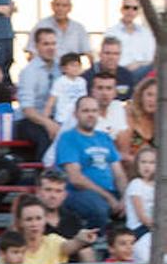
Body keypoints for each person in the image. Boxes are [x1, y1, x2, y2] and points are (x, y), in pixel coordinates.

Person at [54, 95, 127, 230]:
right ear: (76, 114)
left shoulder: (105, 138)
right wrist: (109, 198)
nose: (90, 115)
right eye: (85, 111)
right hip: (79, 193)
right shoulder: (68, 138)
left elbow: (119, 174)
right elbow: (76, 179)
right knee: (99, 209)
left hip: (111, 192)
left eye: (94, 111)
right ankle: (97, 246)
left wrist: (125, 197)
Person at [15, 28, 60, 160]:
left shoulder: (60, 69)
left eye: (53, 44)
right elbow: (27, 110)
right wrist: (48, 123)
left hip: (55, 118)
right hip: (29, 120)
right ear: (36, 46)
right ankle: (44, 176)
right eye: (46, 44)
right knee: (45, 135)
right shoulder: (29, 72)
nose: (51, 48)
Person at [25, 0, 91, 61]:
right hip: (46, 70)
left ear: (70, 8)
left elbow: (89, 54)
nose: (60, 9)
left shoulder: (79, 29)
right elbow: (31, 53)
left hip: (71, 70)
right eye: (57, 5)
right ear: (52, 6)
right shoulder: (41, 26)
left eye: (64, 6)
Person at [116, 76, 156, 161]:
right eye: (149, 94)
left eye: (157, 96)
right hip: (130, 168)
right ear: (141, 95)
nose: (152, 100)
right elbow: (122, 155)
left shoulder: (161, 122)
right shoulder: (128, 115)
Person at [46, 53, 88, 127]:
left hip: (79, 120)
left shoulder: (82, 82)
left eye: (78, 65)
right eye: (72, 65)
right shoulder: (60, 82)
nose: (75, 68)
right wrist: (46, 120)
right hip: (63, 120)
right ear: (63, 68)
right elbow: (51, 101)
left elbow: (84, 100)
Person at [125, 146, 155, 239]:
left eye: (152, 162)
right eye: (143, 162)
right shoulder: (136, 184)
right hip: (138, 229)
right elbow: (142, 217)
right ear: (137, 164)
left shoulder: (158, 185)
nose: (147, 166)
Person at [96, 37, 136, 101]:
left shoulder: (127, 75)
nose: (111, 57)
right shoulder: (88, 77)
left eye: (115, 54)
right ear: (100, 54)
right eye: (107, 53)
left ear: (120, 56)